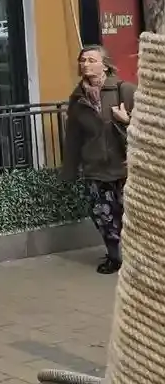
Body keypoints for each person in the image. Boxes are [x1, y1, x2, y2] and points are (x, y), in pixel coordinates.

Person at [63, 44, 133, 274]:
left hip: (125, 167)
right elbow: (73, 138)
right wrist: (70, 170)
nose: (85, 64)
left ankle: (137, 258)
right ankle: (114, 257)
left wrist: (127, 120)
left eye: (91, 60)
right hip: (95, 169)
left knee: (133, 217)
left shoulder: (125, 90)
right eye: (82, 60)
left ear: (105, 65)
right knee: (103, 217)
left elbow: (151, 127)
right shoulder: (77, 99)